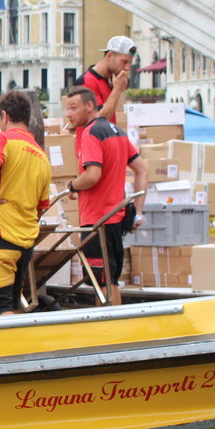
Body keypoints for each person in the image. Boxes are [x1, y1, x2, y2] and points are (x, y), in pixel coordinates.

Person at [62, 86, 146, 307]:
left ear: (90, 106)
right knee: (111, 280)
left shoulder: (90, 134)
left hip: (97, 220)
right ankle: (116, 329)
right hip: (116, 218)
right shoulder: (116, 131)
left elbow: (92, 175)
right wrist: (138, 211)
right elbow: (142, 169)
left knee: (101, 284)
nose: (69, 114)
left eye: (73, 108)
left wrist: (73, 186)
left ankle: (107, 330)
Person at [0, 91, 52, 316]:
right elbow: (41, 206)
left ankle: (8, 351)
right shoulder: (41, 155)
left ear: (5, 116)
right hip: (24, 244)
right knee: (11, 305)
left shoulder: (3, 139)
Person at [73, 35, 135, 126]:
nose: (127, 68)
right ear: (110, 55)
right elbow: (97, 121)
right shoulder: (87, 81)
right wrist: (117, 90)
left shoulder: (110, 81)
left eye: (130, 63)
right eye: (124, 62)